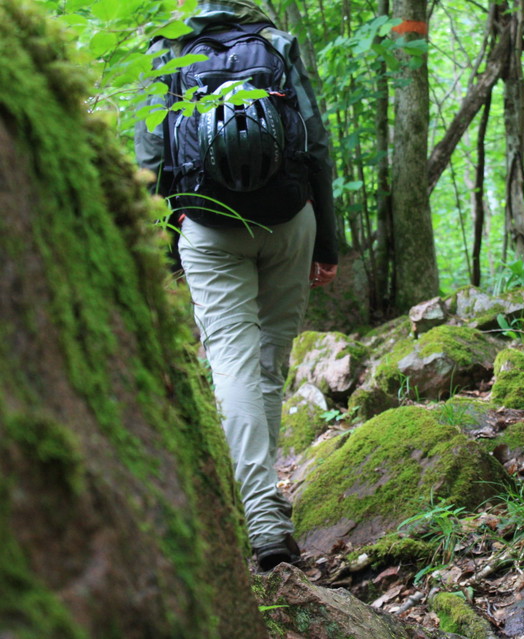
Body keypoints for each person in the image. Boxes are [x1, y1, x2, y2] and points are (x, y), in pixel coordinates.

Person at [135, 0, 338, 571]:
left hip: (206, 225)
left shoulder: (167, 50)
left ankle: (260, 514)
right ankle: (266, 506)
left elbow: (149, 156)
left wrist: (164, 243)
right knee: (269, 364)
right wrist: (327, 244)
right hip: (290, 219)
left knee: (232, 364)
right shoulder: (277, 43)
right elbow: (317, 147)